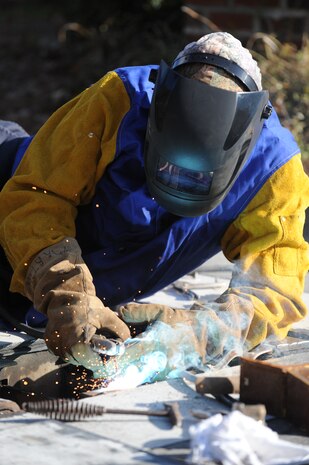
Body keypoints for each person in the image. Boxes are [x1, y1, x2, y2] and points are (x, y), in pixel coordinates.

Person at [0, 32, 308, 382]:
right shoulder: (118, 99)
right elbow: (36, 195)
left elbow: (275, 291)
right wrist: (66, 288)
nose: (177, 180)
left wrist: (200, 333)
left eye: (197, 179)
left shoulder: (274, 173)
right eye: (165, 167)